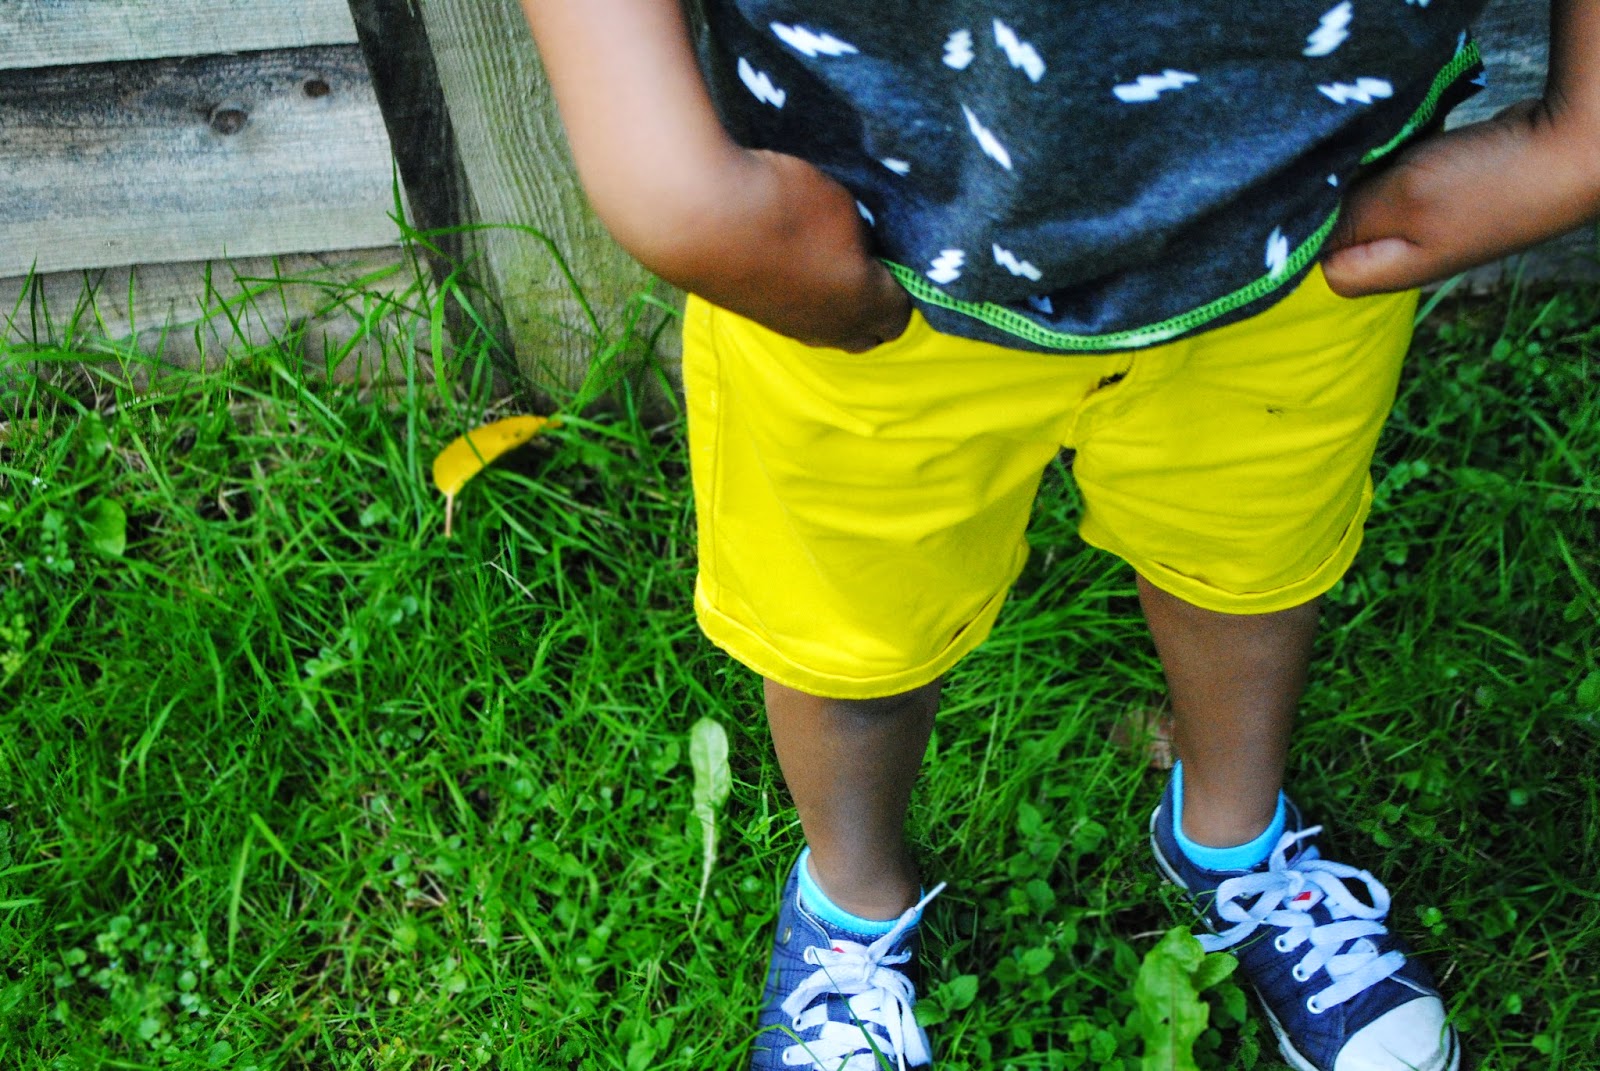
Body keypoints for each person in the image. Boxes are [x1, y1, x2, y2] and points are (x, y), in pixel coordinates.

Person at [520, 2, 1600, 1069]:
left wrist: (1581, 133)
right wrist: (668, 186)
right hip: (867, 243)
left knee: (1250, 562)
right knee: (851, 638)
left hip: (1301, 229)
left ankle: (1231, 840)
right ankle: (849, 911)